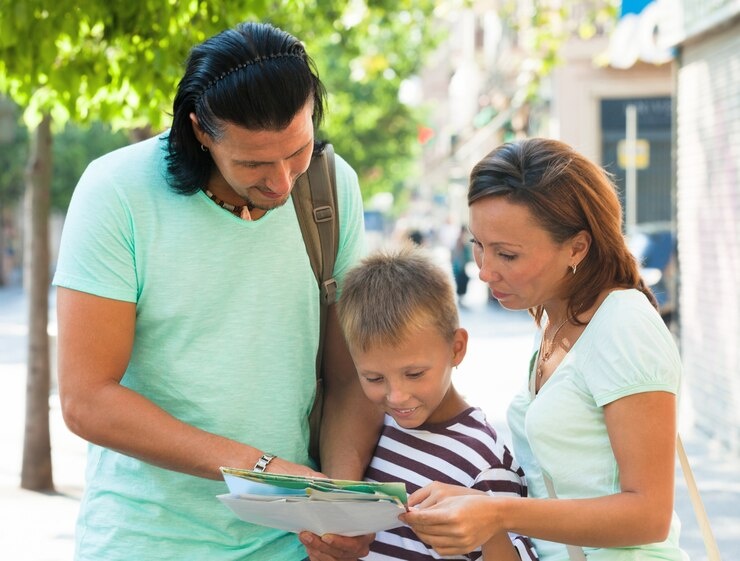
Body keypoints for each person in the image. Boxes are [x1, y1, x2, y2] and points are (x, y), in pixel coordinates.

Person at [52, 21, 382, 561]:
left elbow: (351, 377)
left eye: (295, 151)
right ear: (200, 132)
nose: (281, 182)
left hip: (291, 545)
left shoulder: (330, 186)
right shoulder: (115, 191)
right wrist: (263, 471)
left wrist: (334, 507)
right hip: (145, 542)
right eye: (253, 163)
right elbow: (87, 401)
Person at [401, 138, 688, 560]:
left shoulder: (623, 324)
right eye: (479, 244)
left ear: (576, 247)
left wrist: (499, 512)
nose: (484, 271)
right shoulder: (558, 316)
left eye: (508, 254)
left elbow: (649, 514)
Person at [336, 244, 537, 561]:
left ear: (456, 348)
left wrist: (488, 525)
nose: (396, 396)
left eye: (414, 374)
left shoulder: (483, 459)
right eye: (374, 378)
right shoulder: (373, 429)